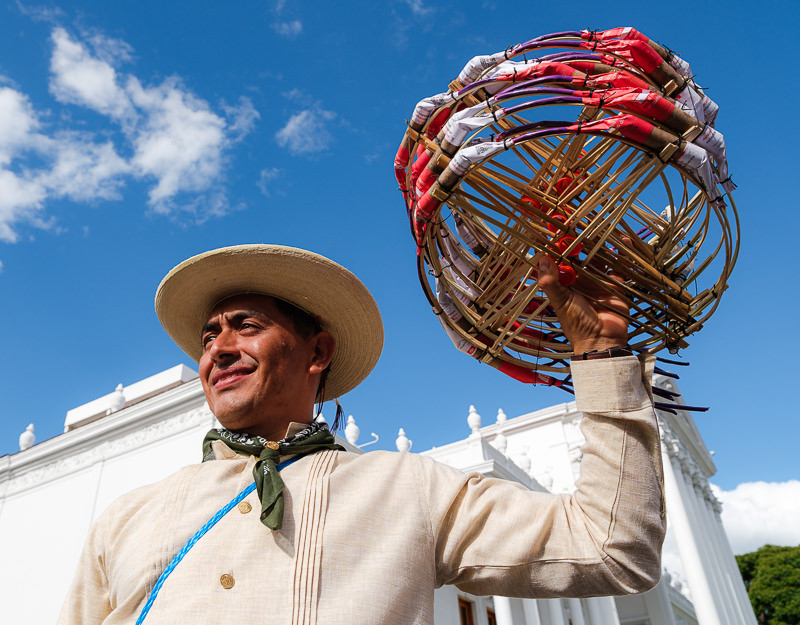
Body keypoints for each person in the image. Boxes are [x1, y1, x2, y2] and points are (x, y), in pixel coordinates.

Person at [59, 243, 665, 625]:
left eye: (246, 326)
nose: (219, 348)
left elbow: (612, 549)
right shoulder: (127, 517)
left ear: (317, 351)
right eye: (209, 336)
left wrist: (600, 354)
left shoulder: (408, 491)